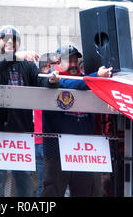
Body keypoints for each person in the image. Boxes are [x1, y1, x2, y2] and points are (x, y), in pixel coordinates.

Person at [0, 25, 60, 197]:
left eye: (14, 40)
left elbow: (40, 82)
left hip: (21, 131)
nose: (10, 42)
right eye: (5, 38)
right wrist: (13, 57)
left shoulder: (26, 65)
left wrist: (51, 81)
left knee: (24, 181)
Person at [41, 45, 111, 197]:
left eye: (75, 60)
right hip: (56, 152)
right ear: (58, 62)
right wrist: (96, 76)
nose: (73, 64)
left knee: (85, 191)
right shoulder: (53, 78)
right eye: (68, 61)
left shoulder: (87, 79)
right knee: (52, 192)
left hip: (83, 152)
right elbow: (70, 85)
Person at [33, 52, 58, 197]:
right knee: (48, 184)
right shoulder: (46, 82)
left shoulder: (35, 81)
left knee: (43, 184)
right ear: (48, 66)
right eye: (57, 63)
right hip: (45, 141)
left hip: (39, 139)